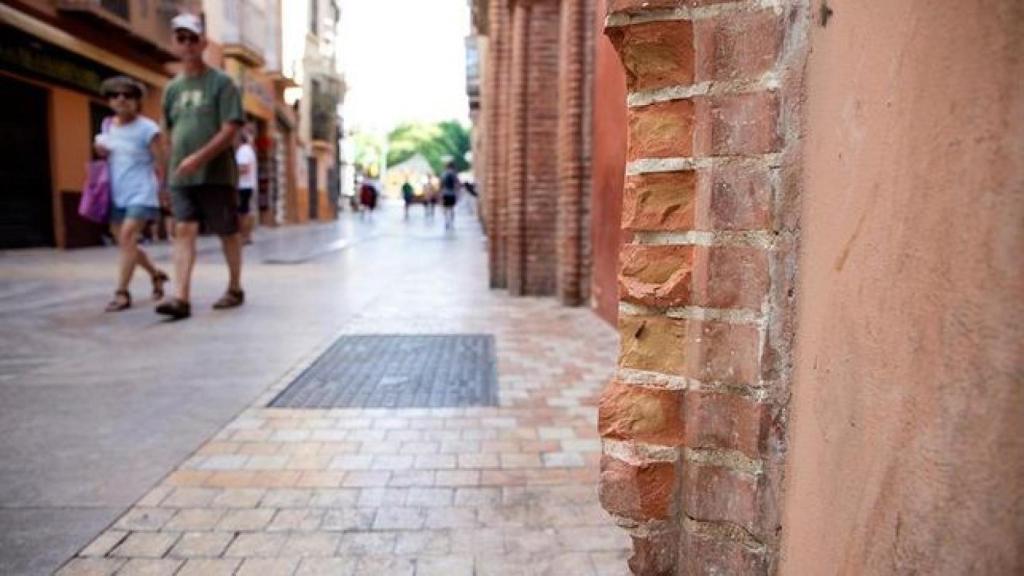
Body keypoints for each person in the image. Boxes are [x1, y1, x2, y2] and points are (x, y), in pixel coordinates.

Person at [155, 13, 245, 320]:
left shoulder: (222, 83)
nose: (188, 44)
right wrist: (165, 178)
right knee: (183, 230)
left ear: (204, 42)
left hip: (216, 174)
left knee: (226, 231)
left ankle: (234, 287)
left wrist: (198, 159)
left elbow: (230, 129)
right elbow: (166, 135)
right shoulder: (172, 89)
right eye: (182, 38)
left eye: (193, 38)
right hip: (181, 177)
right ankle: (181, 297)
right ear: (175, 43)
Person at [94, 76, 169, 312]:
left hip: (142, 192)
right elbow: (108, 157)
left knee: (127, 237)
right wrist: (100, 151)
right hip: (116, 193)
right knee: (126, 243)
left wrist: (165, 189)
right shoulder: (107, 126)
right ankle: (156, 274)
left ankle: (122, 293)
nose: (121, 99)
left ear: (137, 101)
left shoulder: (148, 128)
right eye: (115, 95)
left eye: (128, 95)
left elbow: (161, 161)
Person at [235, 131, 257, 244]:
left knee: (242, 212)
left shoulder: (242, 151)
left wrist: (232, 172)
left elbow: (244, 169)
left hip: (242, 185)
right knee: (246, 211)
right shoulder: (249, 150)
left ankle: (243, 236)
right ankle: (247, 236)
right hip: (248, 185)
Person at [440, 161, 461, 230]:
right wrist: (458, 193)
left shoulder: (443, 174)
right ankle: (451, 222)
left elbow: (441, 185)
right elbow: (457, 184)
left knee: (445, 208)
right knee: (452, 208)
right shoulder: (454, 174)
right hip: (452, 193)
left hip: (445, 193)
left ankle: (446, 221)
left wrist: (440, 193)